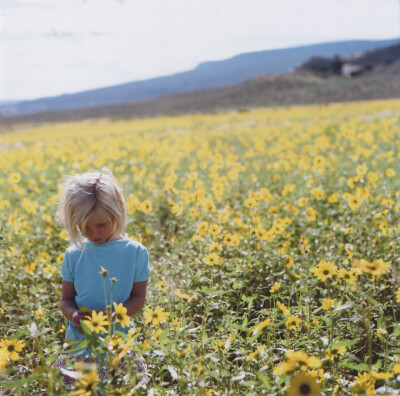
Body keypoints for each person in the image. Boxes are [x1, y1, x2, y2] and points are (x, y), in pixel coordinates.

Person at [53, 168, 150, 385]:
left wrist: (111, 318)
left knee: (121, 387)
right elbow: (66, 300)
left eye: (101, 224)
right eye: (85, 227)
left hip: (119, 340)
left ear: (117, 214)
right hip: (81, 343)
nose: (94, 233)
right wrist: (74, 316)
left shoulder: (135, 252)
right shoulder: (74, 254)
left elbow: (138, 298)